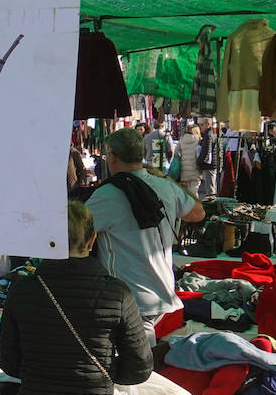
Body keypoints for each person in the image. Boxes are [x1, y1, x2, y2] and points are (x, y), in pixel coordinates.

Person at [0, 202, 154, 395]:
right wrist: (106, 372)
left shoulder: (23, 290)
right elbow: (140, 368)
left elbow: (9, 362)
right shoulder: (116, 292)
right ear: (92, 240)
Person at [85, 127, 205, 336]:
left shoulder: (107, 195)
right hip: (166, 301)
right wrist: (165, 182)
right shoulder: (165, 186)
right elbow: (198, 213)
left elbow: (74, 234)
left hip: (132, 307)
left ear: (112, 157)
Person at [196, 116, 222, 197]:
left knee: (210, 191)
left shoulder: (209, 135)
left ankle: (211, 207)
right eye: (199, 125)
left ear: (208, 124)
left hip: (209, 165)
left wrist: (199, 162)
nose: (200, 127)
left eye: (201, 125)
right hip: (212, 164)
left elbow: (206, 151)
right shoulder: (211, 134)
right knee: (211, 188)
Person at [177, 124, 202, 195]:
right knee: (194, 190)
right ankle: (196, 205)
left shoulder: (182, 139)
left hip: (184, 170)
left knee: (186, 192)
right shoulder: (198, 140)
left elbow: (175, 153)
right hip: (195, 169)